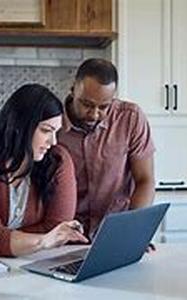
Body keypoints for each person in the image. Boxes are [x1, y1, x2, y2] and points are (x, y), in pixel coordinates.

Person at [0, 84, 88, 257]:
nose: (53, 141)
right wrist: (43, 240)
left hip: (34, 261)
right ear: (21, 126)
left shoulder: (58, 161)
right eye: (46, 130)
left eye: (56, 132)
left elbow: (57, 229)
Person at [58, 58, 156, 238]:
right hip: (66, 233)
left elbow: (145, 180)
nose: (94, 114)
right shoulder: (53, 124)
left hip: (116, 231)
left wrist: (134, 230)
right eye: (86, 104)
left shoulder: (131, 118)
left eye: (104, 107)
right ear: (73, 90)